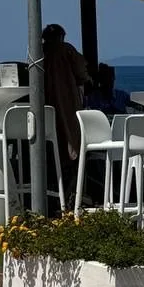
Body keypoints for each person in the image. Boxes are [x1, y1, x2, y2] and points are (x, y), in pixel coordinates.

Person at [42, 24, 90, 184]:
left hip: (46, 101)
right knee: (71, 135)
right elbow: (81, 72)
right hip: (67, 99)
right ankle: (71, 178)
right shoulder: (66, 50)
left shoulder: (39, 52)